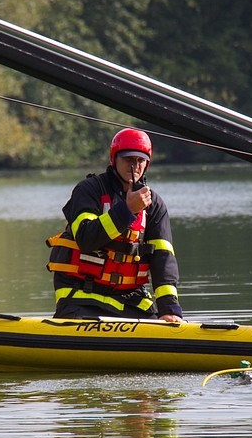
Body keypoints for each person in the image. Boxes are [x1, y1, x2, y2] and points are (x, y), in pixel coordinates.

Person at [47, 128, 183, 322]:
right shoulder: (89, 190)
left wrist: (169, 310)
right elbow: (86, 239)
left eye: (140, 160)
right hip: (81, 298)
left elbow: (163, 261)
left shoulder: (154, 205)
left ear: (147, 164)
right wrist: (126, 210)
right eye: (128, 159)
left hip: (131, 301)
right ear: (114, 159)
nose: (134, 166)